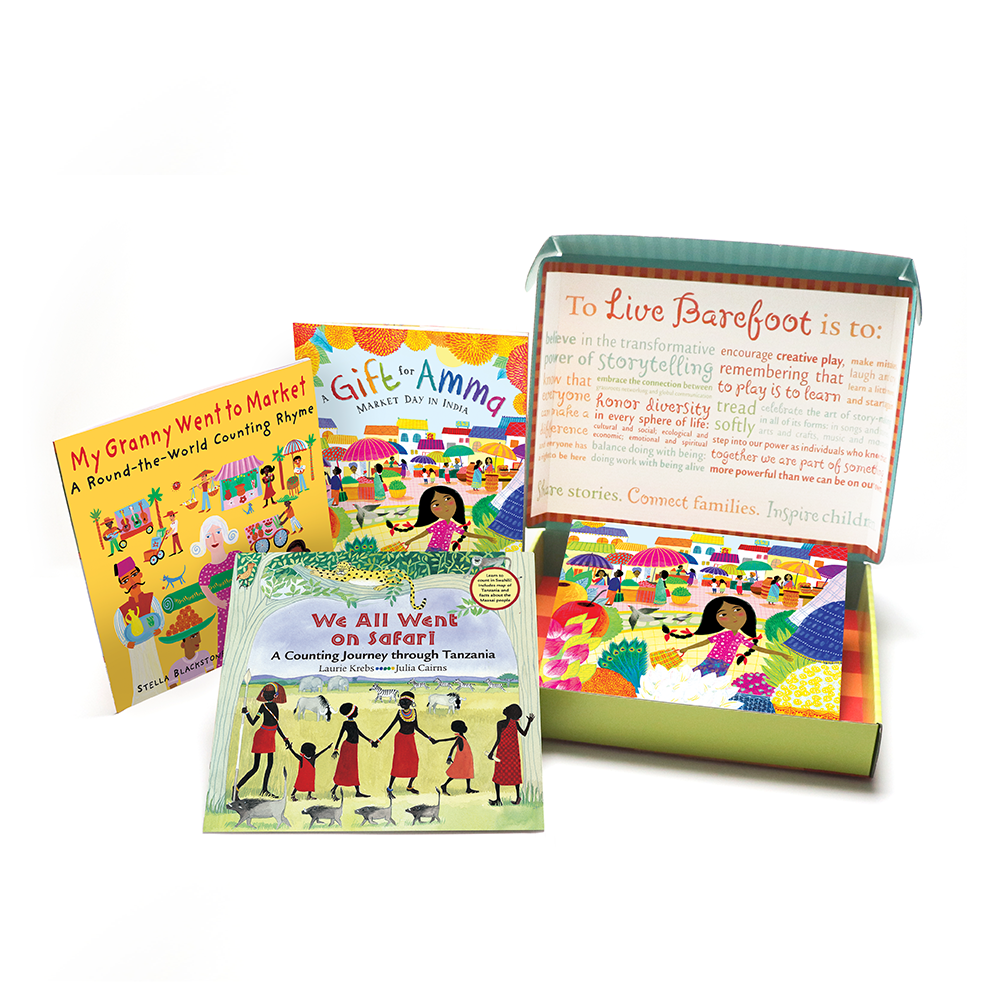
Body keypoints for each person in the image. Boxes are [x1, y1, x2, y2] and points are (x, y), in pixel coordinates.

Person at [678, 596, 791, 678]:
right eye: (723, 614)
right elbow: (705, 642)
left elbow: (758, 648)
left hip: (725, 664)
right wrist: (687, 648)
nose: (733, 617)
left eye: (737, 610)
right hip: (711, 660)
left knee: (714, 682)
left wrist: (781, 654)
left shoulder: (740, 638)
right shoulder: (723, 635)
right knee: (694, 677)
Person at [112, 557, 165, 705]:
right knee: (138, 665)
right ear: (122, 585)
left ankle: (160, 688)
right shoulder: (122, 609)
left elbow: (159, 613)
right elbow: (118, 624)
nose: (132, 581)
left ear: (140, 575)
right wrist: (126, 642)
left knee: (153, 661)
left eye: (134, 575)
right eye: (125, 580)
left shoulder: (150, 598)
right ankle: (141, 695)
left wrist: (160, 628)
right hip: (134, 644)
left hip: (150, 639)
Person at [191, 515, 239, 665]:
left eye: (218, 532)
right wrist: (218, 602)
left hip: (243, 605)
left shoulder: (235, 556)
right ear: (203, 541)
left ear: (224, 533)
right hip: (225, 611)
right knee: (229, 642)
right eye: (208, 536)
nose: (213, 539)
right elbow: (204, 587)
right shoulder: (207, 570)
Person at [375, 691, 439, 794]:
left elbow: (416, 727)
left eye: (406, 701)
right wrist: (379, 740)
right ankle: (389, 788)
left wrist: (429, 738)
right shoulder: (399, 713)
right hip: (400, 739)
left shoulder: (414, 712)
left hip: (410, 739)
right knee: (398, 763)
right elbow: (390, 727)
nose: (404, 703)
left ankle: (409, 786)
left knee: (415, 760)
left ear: (411, 702)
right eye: (402, 701)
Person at [387, 486, 488, 552]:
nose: (445, 506)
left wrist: (485, 537)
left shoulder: (453, 526)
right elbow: (424, 534)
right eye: (436, 505)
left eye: (447, 499)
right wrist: (410, 540)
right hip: (432, 549)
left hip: (444, 551)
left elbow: (466, 534)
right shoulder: (438, 525)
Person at [237, 683, 289, 797]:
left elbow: (253, 722)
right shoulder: (273, 706)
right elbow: (276, 725)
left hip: (265, 736)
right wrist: (285, 739)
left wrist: (247, 713)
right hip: (264, 736)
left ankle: (263, 790)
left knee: (261, 766)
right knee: (260, 767)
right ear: (275, 695)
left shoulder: (264, 706)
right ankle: (237, 787)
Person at [487, 704, 535, 806]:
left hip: (503, 752)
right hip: (513, 753)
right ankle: (517, 797)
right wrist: (529, 722)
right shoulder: (515, 724)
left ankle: (498, 799)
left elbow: (498, 739)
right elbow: (524, 733)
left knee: (498, 775)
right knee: (515, 774)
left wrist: (491, 752)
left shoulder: (500, 723)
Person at [331, 703, 377, 798]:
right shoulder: (346, 723)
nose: (357, 713)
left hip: (353, 747)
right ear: (351, 713)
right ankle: (334, 789)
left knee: (353, 769)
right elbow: (340, 736)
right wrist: (336, 749)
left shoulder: (354, 723)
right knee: (344, 768)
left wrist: (370, 741)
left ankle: (357, 792)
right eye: (356, 711)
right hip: (347, 748)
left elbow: (358, 733)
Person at [441, 719, 477, 795]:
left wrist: (437, 741)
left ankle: (468, 788)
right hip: (462, 758)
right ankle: (444, 785)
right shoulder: (460, 738)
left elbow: (451, 739)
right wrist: (449, 757)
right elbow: (452, 748)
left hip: (467, 758)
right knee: (456, 772)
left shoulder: (460, 737)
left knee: (468, 772)